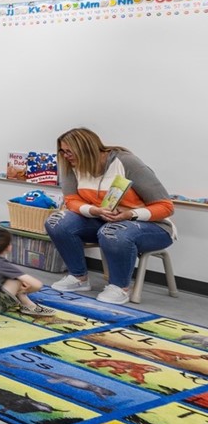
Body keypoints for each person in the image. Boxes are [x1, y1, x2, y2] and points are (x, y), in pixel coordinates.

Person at [44, 128, 176, 305]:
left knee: (112, 230)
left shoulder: (126, 162)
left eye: (69, 151)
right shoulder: (70, 166)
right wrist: (94, 211)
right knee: (56, 221)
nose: (65, 156)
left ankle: (119, 287)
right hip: (103, 220)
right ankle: (78, 278)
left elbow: (166, 207)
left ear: (87, 149)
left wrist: (130, 214)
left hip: (153, 227)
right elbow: (71, 200)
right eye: (62, 151)